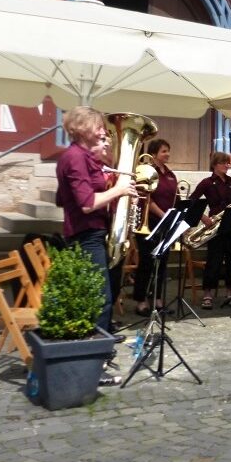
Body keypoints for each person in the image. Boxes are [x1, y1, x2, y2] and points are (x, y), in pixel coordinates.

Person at [54, 106, 137, 335]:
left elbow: (61, 198)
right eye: (99, 127)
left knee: (107, 291)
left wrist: (113, 187)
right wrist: (118, 189)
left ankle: (101, 345)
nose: (103, 132)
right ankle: (97, 354)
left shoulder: (83, 157)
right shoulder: (75, 158)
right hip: (86, 234)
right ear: (82, 128)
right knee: (101, 298)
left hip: (95, 231)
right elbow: (87, 203)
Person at [190, 152, 231, 310]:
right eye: (224, 163)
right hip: (214, 226)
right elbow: (192, 200)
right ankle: (208, 293)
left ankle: (230, 291)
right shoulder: (207, 183)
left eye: (228, 162)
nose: (227, 165)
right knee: (214, 260)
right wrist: (203, 217)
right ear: (215, 165)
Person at [132, 138, 178, 316]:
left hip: (165, 224)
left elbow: (175, 197)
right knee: (146, 263)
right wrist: (163, 215)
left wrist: (174, 217)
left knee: (162, 264)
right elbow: (146, 199)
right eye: (163, 151)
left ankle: (157, 300)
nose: (167, 154)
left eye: (168, 150)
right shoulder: (148, 172)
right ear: (153, 154)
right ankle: (141, 301)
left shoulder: (170, 174)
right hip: (149, 222)